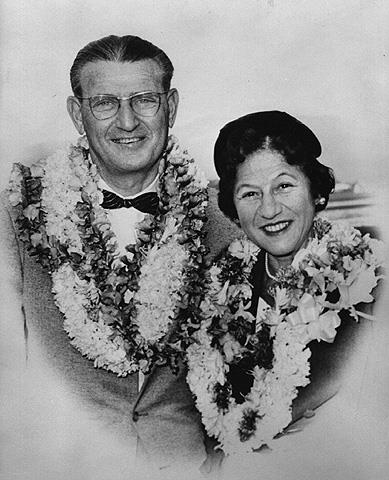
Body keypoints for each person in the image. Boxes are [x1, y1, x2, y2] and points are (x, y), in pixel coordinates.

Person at [0, 35, 238, 479]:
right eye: (105, 103)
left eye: (144, 100)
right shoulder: (17, 218)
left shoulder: (222, 224)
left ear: (172, 106)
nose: (127, 122)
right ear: (77, 114)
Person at [186, 111, 385, 479]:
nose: (269, 209)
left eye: (283, 186)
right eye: (249, 194)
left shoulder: (369, 281)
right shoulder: (220, 292)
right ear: (232, 210)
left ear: (315, 190)